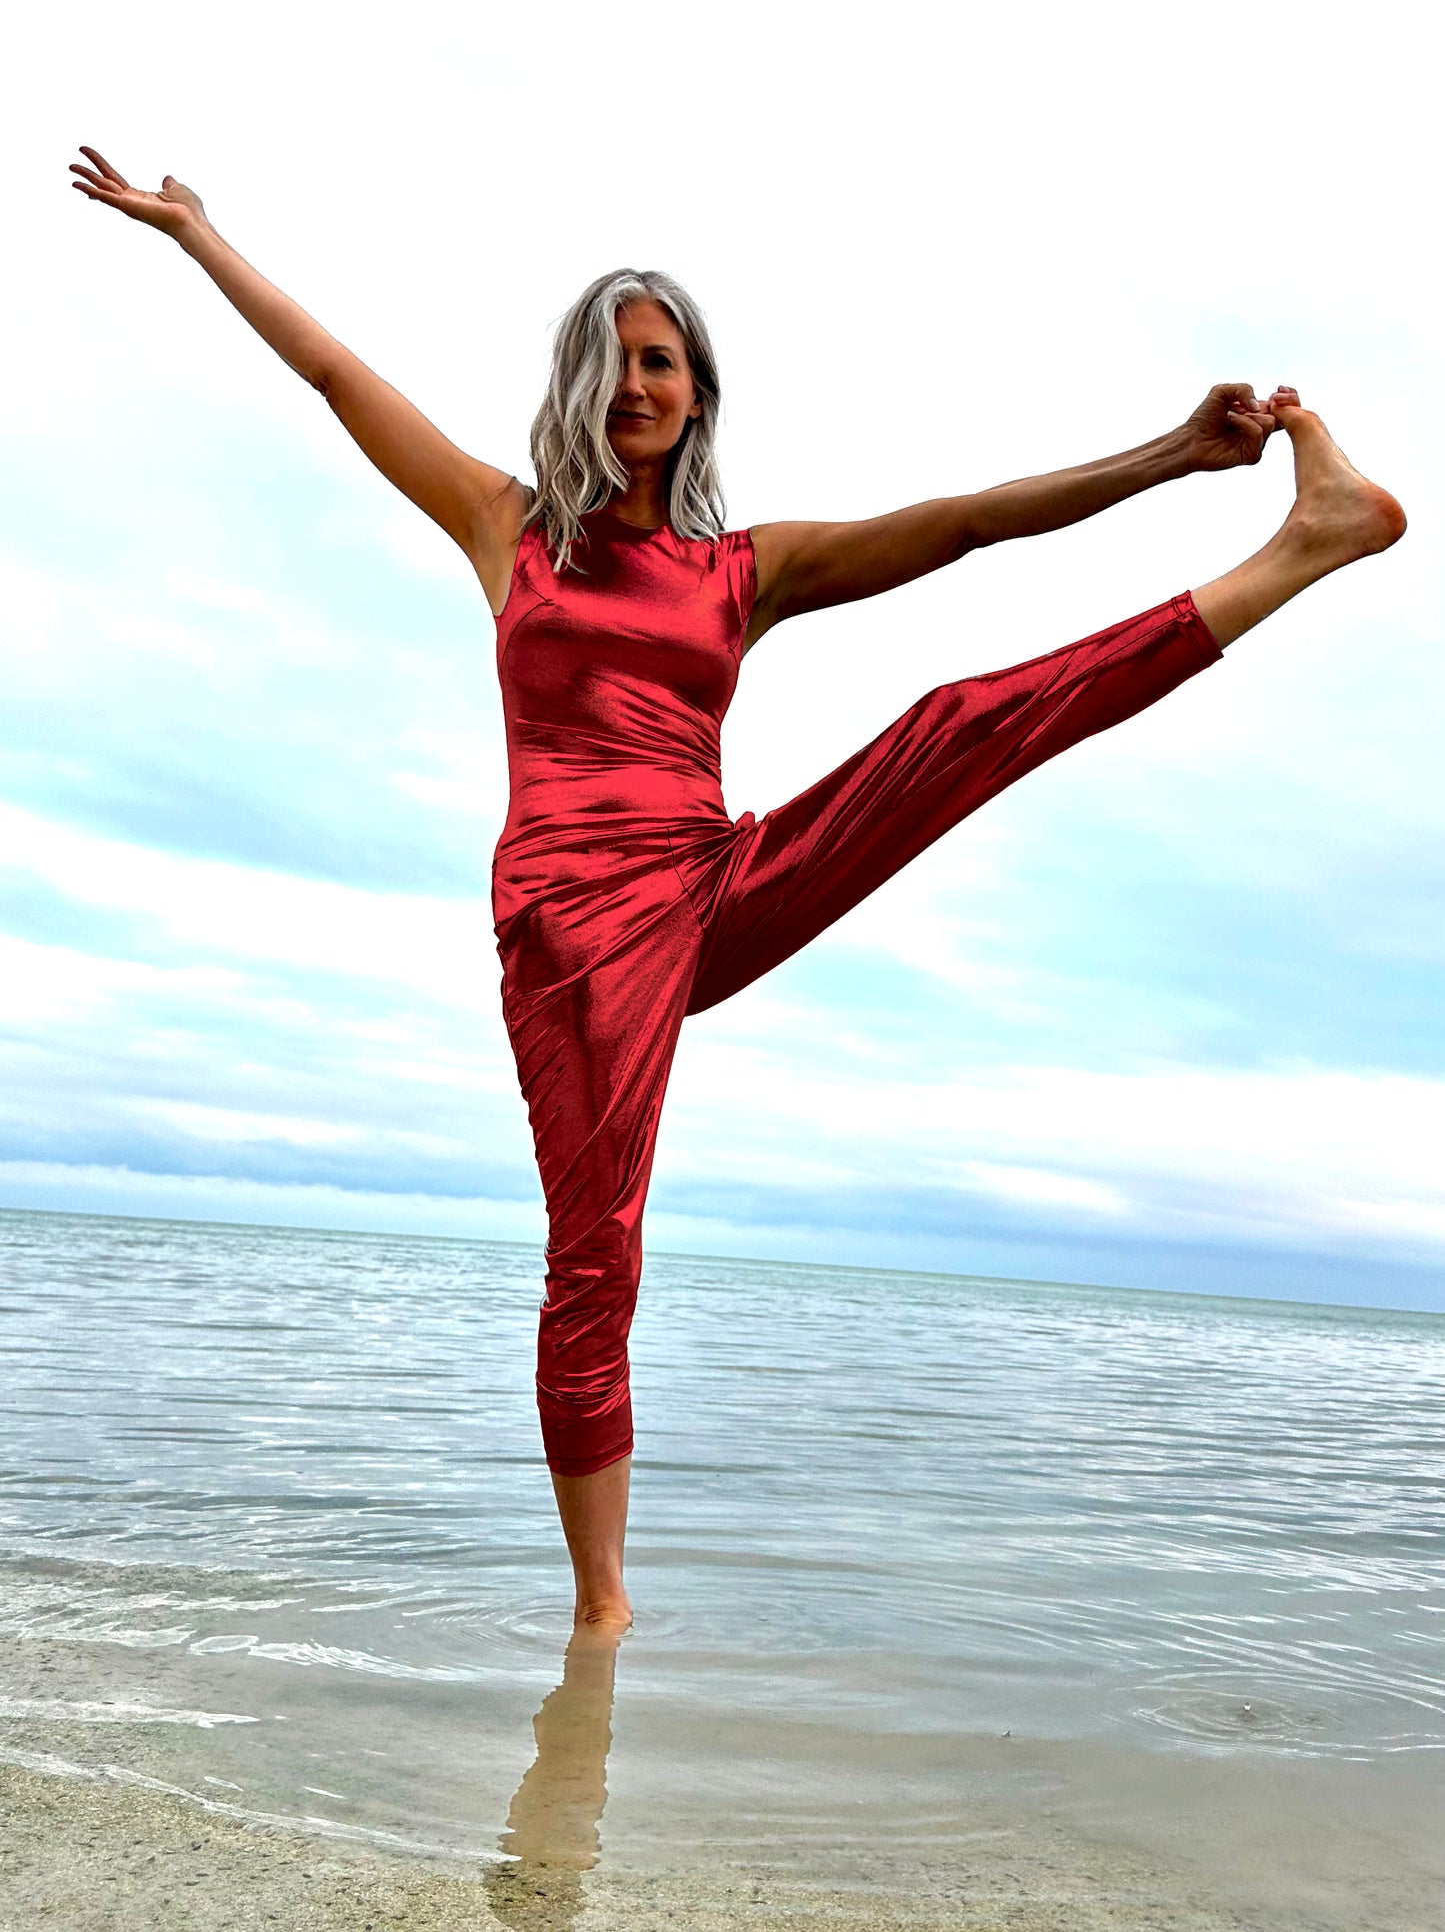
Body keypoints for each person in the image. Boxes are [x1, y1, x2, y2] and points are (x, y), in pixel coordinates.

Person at [71, 147, 1407, 1635]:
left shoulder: (741, 571)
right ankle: (601, 1614)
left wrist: (1167, 452)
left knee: (955, 722)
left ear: (696, 390)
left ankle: (1305, 543)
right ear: (577, 384)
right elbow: (331, 375)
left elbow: (966, 519)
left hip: (710, 881)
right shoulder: (504, 528)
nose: (634, 384)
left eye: (660, 362)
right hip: (570, 929)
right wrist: (200, 235)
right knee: (596, 1251)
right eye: (611, 361)